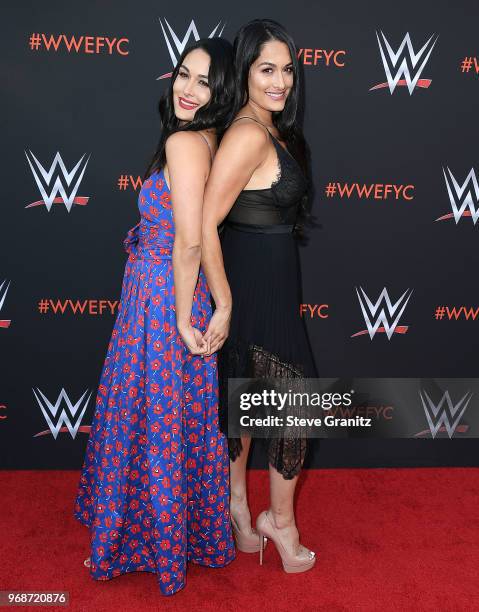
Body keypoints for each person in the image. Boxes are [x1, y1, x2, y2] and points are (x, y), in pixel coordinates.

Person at [73, 37, 236, 596]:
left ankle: (149, 539)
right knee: (170, 422)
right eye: (183, 75)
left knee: (154, 422)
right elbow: (208, 232)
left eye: (204, 81)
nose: (189, 90)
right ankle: (181, 535)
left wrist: (184, 319)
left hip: (162, 298)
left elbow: (191, 240)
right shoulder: (209, 139)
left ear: (222, 90)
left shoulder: (187, 143)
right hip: (172, 294)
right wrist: (222, 303)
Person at [200, 19, 317, 573]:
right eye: (267, 69)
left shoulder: (267, 129)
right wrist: (223, 302)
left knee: (249, 406)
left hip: (270, 280)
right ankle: (278, 521)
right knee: (292, 408)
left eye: (287, 69)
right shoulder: (248, 133)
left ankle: (240, 511)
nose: (281, 81)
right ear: (245, 70)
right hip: (251, 285)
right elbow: (205, 224)